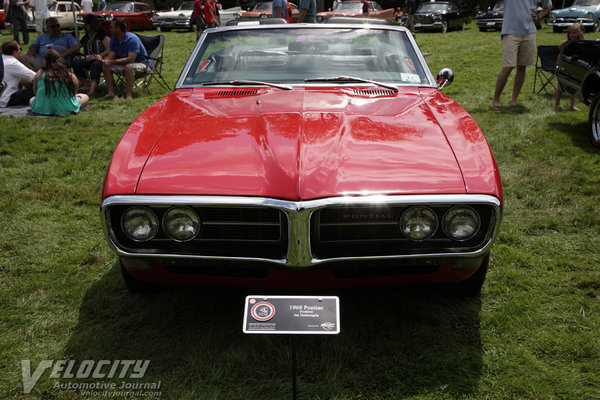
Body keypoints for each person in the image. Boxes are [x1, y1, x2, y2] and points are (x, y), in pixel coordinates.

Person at [492, 0, 552, 109]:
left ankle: (513, 100)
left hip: (529, 33)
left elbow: (548, 5)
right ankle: (496, 100)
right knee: (508, 66)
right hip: (510, 32)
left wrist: (539, 16)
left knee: (522, 67)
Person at [30, 49, 89, 115]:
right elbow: (74, 91)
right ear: (60, 58)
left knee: (32, 100)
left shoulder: (40, 73)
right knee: (85, 97)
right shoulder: (68, 74)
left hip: (42, 107)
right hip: (66, 107)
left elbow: (35, 91)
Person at [101, 18, 148, 100]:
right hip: (126, 64)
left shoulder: (132, 39)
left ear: (118, 28)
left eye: (111, 27)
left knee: (128, 66)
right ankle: (110, 93)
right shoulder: (113, 39)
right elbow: (111, 55)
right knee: (106, 66)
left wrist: (111, 62)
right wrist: (104, 61)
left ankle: (129, 95)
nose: (109, 29)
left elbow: (131, 59)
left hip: (142, 65)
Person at [72, 14, 110, 96]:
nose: (85, 27)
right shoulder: (87, 36)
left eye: (86, 24)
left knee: (95, 65)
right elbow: (77, 46)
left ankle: (92, 89)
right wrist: (63, 54)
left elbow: (109, 48)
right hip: (88, 59)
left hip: (100, 59)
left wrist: (99, 55)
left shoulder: (102, 34)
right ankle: (86, 85)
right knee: (76, 63)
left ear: (92, 24)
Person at [555, 22, 584, 111]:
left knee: (572, 87)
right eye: (570, 33)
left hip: (574, 69)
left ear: (580, 33)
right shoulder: (566, 44)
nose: (572, 35)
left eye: (574, 33)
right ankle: (557, 104)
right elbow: (560, 56)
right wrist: (558, 66)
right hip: (564, 67)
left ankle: (572, 105)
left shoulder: (581, 44)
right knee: (560, 87)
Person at [0, 40, 36, 107]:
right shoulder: (12, 63)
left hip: (2, 95)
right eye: (20, 49)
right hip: (7, 99)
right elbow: (35, 76)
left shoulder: (2, 59)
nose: (21, 51)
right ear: (14, 52)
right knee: (37, 89)